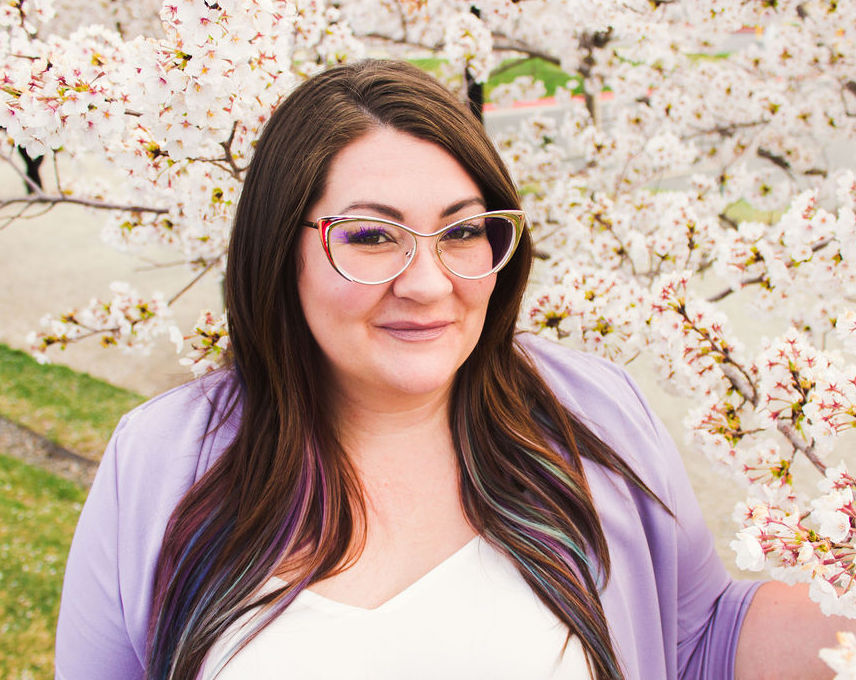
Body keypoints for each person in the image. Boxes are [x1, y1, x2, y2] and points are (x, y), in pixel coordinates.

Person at [54, 59, 849, 680]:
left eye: (464, 232)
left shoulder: (590, 416)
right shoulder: (161, 461)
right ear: (278, 248)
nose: (428, 283)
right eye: (370, 237)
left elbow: (698, 641)